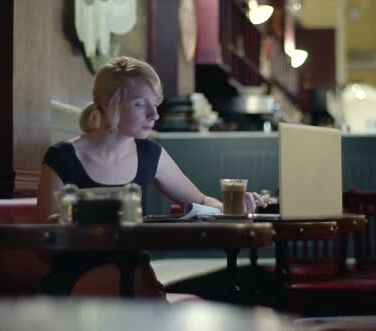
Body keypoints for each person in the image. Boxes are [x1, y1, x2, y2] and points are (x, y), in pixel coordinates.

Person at [36, 56, 265, 297]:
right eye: (140, 104)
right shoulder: (62, 157)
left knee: (136, 274)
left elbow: (202, 201)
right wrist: (64, 222)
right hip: (74, 281)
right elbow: (43, 249)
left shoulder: (150, 153)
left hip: (134, 277)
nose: (154, 115)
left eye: (155, 104)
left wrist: (235, 207)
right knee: (136, 276)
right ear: (110, 103)